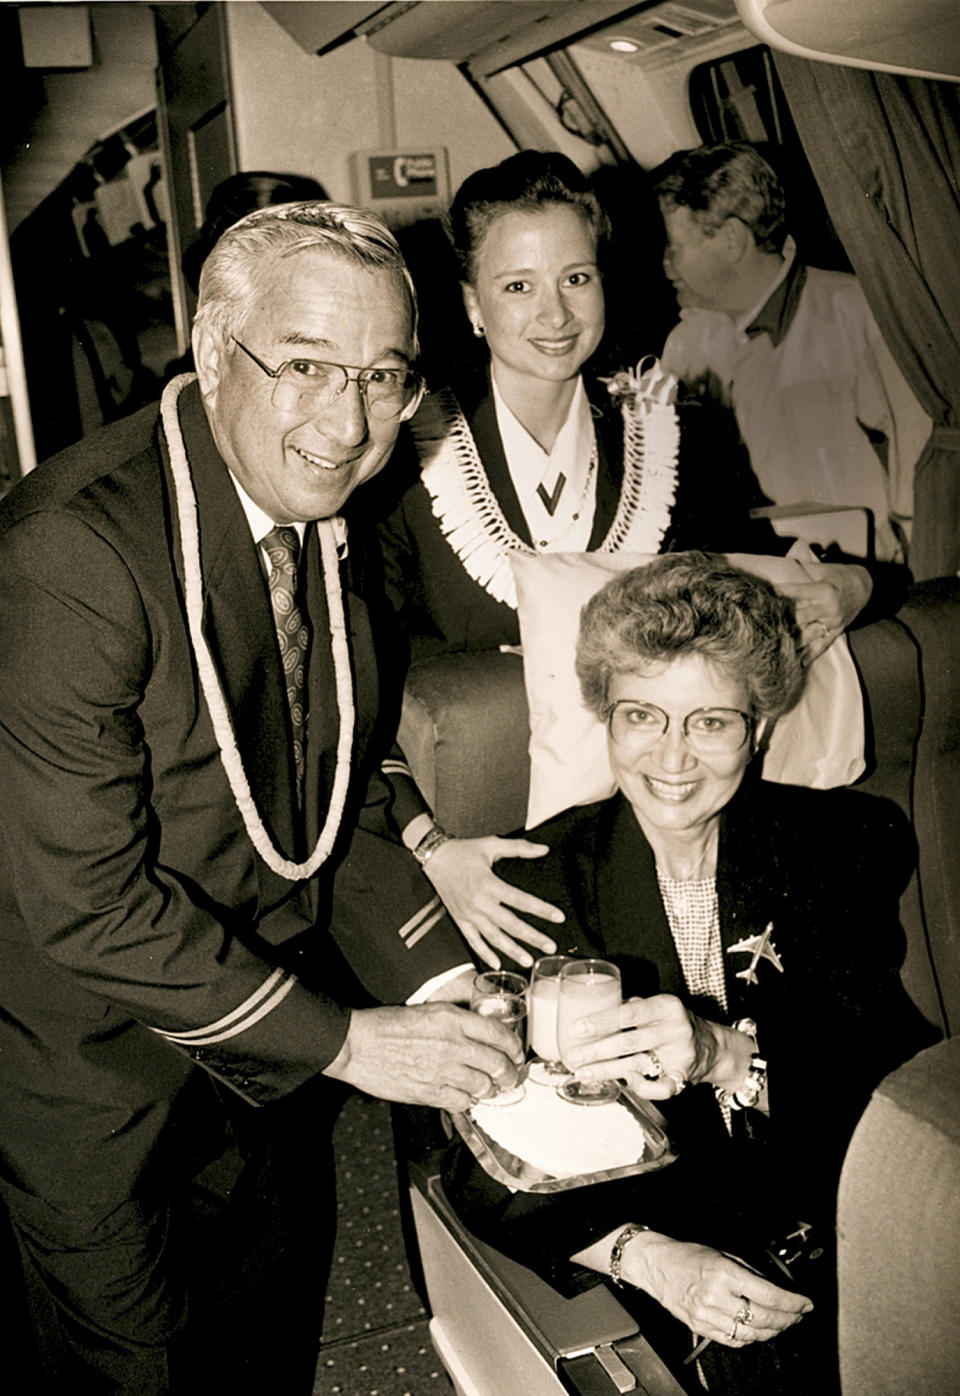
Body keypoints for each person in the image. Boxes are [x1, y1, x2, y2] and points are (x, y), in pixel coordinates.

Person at [0, 201, 525, 1396]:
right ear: (208, 344)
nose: (348, 423)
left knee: (268, 1340)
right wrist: (356, 1040)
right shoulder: (69, 556)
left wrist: (452, 990)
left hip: (264, 1065)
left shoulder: (319, 516)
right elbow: (86, 907)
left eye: (383, 375)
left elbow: (318, 797)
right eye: (304, 366)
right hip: (94, 1078)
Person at [363, 149, 874, 971]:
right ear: (471, 305)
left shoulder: (668, 433)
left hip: (664, 833)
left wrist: (856, 581)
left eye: (576, 278)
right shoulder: (402, 462)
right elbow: (352, 688)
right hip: (475, 861)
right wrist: (426, 847)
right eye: (518, 286)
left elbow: (757, 573)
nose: (555, 314)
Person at [440, 551, 937, 1394]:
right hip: (678, 1289)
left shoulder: (842, 847)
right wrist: (652, 1261)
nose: (673, 758)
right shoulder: (538, 891)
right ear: (604, 717)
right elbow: (484, 1165)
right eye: (643, 715)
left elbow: (891, 1085)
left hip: (862, 1238)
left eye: (711, 721)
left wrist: (729, 1057)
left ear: (762, 729)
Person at [654, 141, 930, 565]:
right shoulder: (685, 347)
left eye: (675, 248)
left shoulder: (857, 313)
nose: (667, 266)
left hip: (864, 581)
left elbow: (922, 473)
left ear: (732, 240)